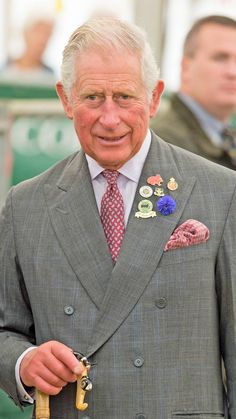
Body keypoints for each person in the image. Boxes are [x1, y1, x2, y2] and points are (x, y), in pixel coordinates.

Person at [0, 15, 236, 419]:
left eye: (125, 97)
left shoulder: (221, 192)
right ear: (65, 98)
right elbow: (6, 329)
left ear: (154, 97)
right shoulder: (25, 206)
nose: (110, 119)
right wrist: (24, 362)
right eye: (92, 97)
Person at [151, 15, 236, 170]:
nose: (232, 72)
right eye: (220, 58)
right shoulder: (162, 142)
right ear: (186, 68)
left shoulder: (225, 137)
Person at [0, 11, 55, 86]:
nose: (43, 39)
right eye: (38, 31)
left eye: (48, 34)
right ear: (25, 33)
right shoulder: (4, 71)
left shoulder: (51, 78)